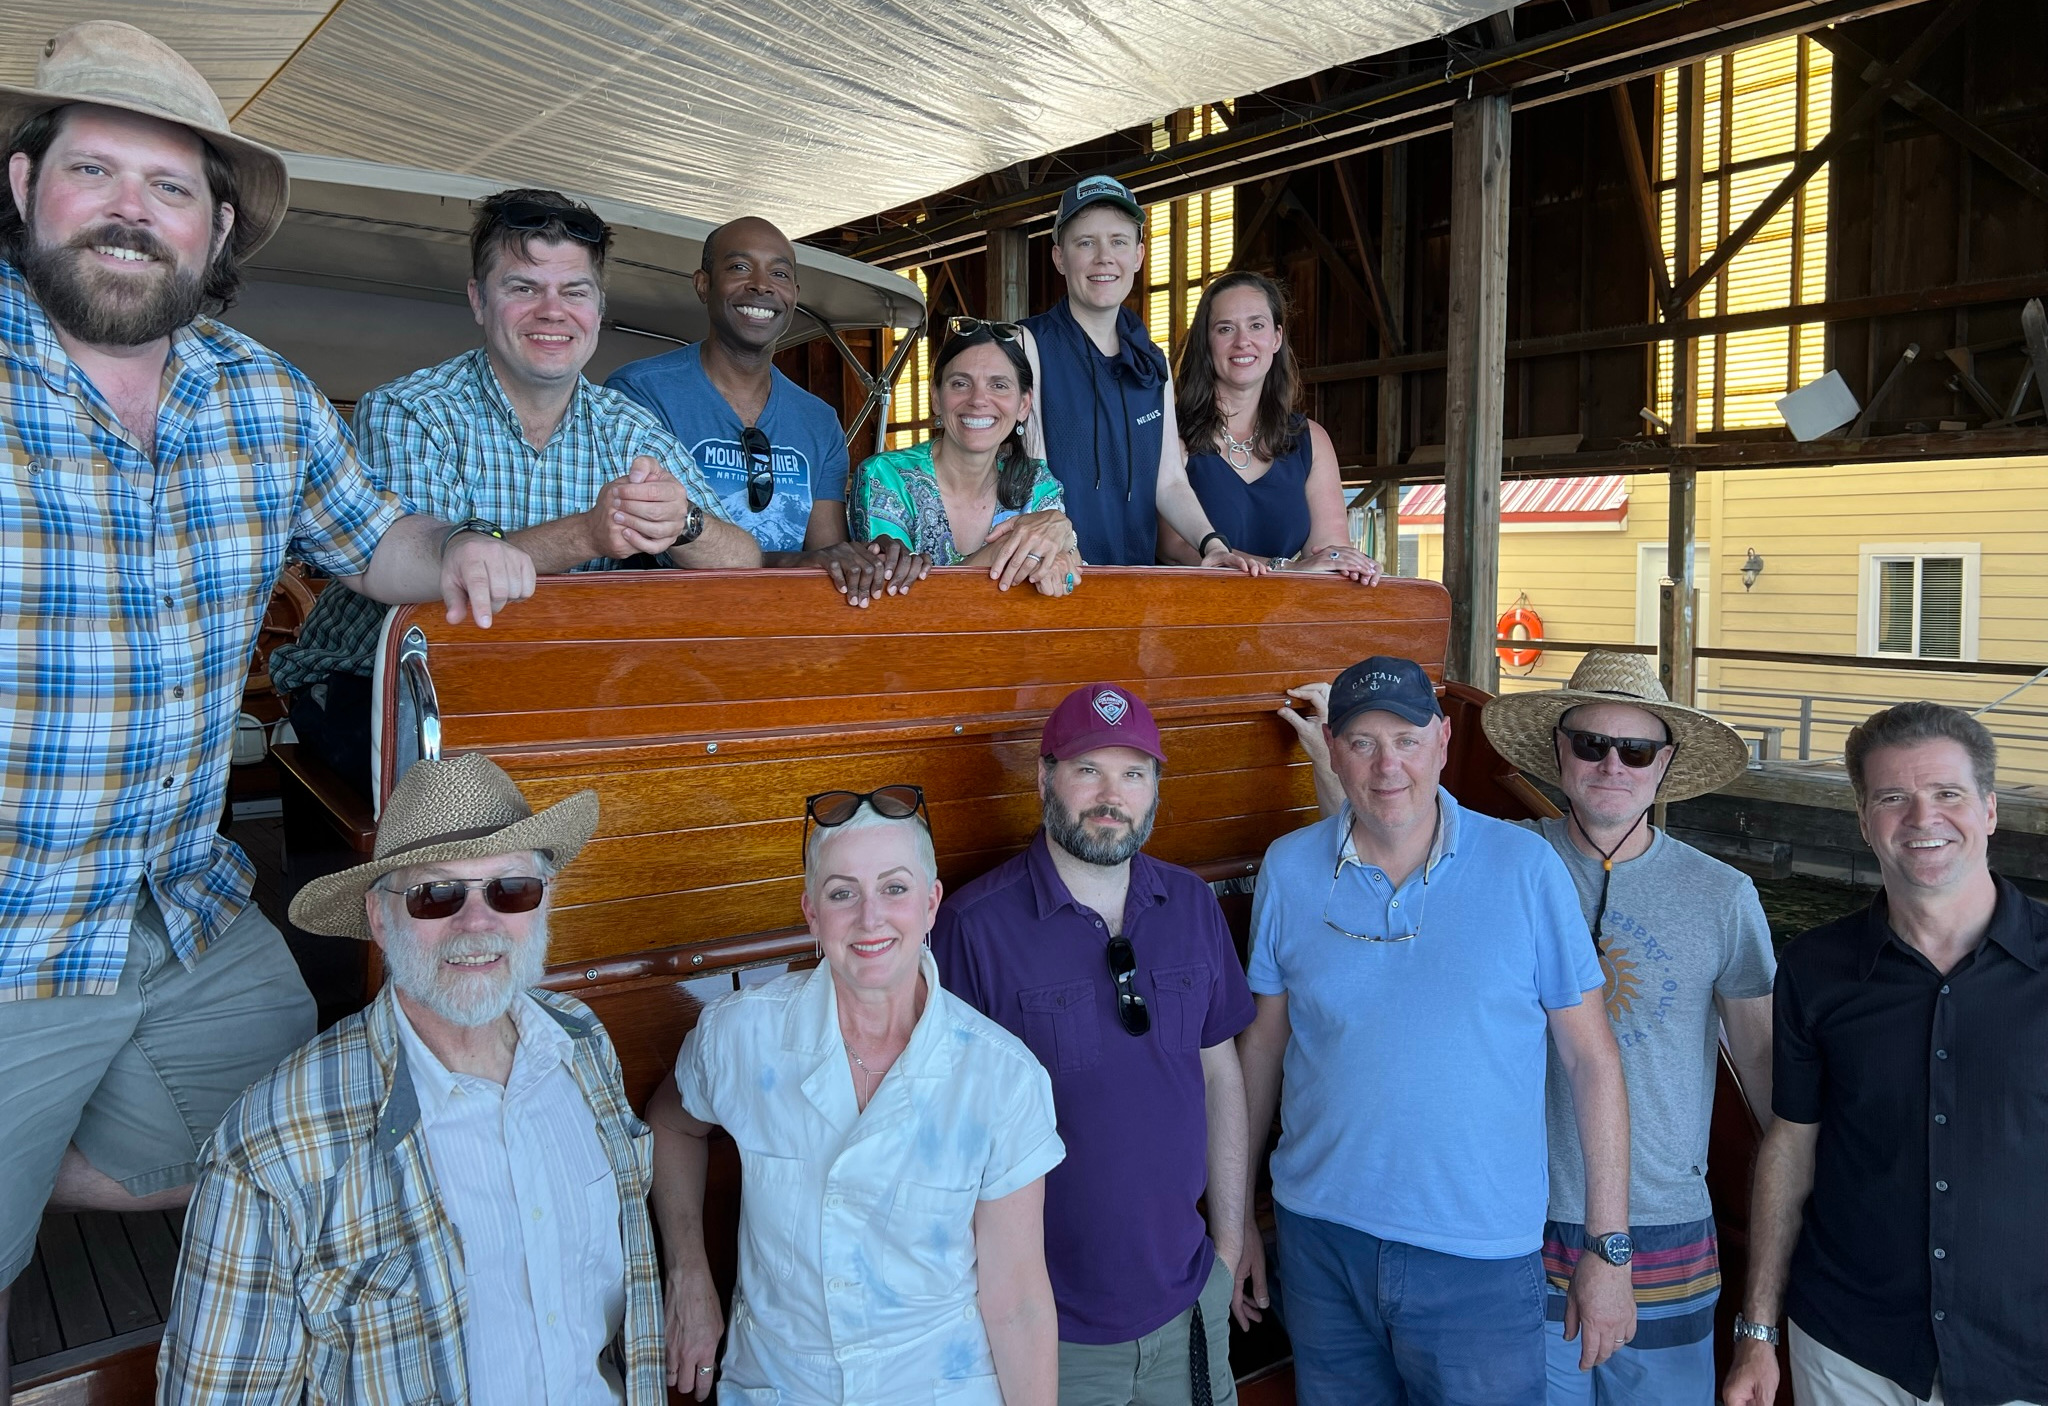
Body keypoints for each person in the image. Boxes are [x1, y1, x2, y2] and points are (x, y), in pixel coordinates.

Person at [0, 24, 535, 1398]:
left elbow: (376, 544)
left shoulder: (263, 396)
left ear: (216, 224)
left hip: (182, 902)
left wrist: (457, 549)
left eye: (171, 187)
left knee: (306, 1136)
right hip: (10, 922)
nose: (133, 208)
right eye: (95, 169)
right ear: (22, 187)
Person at [156, 752, 663, 1402]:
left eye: (511, 888)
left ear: (543, 903)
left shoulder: (583, 1042)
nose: (477, 924)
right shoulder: (268, 1149)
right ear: (378, 918)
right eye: (435, 894)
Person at [1236, 656, 1633, 1406]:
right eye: (1361, 742)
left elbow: (1592, 1061)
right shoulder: (1287, 869)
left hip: (1477, 1256)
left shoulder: (1526, 869)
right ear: (1331, 747)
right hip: (1320, 1240)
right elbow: (1263, 1048)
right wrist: (1238, 1223)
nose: (1388, 766)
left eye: (1407, 739)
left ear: (1444, 741)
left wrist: (1608, 1248)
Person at [270, 187, 760, 794]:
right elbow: (427, 588)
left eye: (574, 291)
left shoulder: (630, 427)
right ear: (479, 300)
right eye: (523, 287)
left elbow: (744, 562)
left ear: (598, 308)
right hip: (381, 685)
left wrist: (684, 523)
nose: (552, 311)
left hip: (562, 692)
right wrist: (588, 533)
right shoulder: (410, 411)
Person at [648, 786, 1064, 1405]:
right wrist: (687, 1273)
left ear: (931, 905)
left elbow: (1019, 1304)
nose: (870, 918)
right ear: (812, 913)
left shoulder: (1001, 1079)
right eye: (842, 893)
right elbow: (671, 1125)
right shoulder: (742, 1036)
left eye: (894, 889)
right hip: (779, 1386)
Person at [934, 685, 1255, 1406]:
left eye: (1133, 774)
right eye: (1088, 770)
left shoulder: (1192, 904)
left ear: (1155, 791)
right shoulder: (973, 927)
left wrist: (1226, 1254)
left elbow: (1221, 1077)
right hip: (1049, 1333)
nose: (1112, 796)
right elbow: (945, 1138)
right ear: (1045, 776)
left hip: (1188, 1309)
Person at [1722, 702, 2048, 1406]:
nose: (1922, 819)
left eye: (1948, 795)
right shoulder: (1814, 967)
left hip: (2024, 1355)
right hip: (1848, 1349)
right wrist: (1757, 1329)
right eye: (1893, 798)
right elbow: (1791, 1147)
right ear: (1865, 821)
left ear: (1990, 810)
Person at [1478, 652, 1775, 1404]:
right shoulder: (1497, 861)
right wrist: (1329, 764)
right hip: (1517, 1220)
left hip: (1666, 1228)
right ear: (1558, 753)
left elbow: (1768, 1078)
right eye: (1590, 744)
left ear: (1663, 765)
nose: (1612, 764)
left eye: (1636, 749)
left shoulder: (1724, 895)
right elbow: (1387, 845)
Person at [607, 215, 924, 606]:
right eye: (740, 267)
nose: (761, 285)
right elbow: (650, 542)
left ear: (794, 293)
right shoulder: (640, 393)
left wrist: (872, 559)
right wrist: (793, 561)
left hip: (782, 628)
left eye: (779, 273)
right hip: (672, 629)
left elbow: (827, 555)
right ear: (703, 285)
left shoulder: (818, 420)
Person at [1016, 175, 1262, 573]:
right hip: (1055, 579)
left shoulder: (1153, 362)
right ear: (1059, 258)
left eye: (1118, 241)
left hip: (1134, 586)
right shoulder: (1028, 345)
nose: (1104, 258)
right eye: (1085, 243)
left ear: (1139, 256)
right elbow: (1028, 476)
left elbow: (1169, 483)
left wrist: (1212, 544)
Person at [1165, 271, 1378, 581]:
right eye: (1226, 329)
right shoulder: (1170, 433)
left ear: (1276, 338)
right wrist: (1286, 567)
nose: (1242, 341)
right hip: (1189, 620)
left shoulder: (1311, 441)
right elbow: (1176, 547)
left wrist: (1356, 567)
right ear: (1206, 342)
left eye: (1256, 325)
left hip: (1279, 622)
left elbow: (1328, 553)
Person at [850, 317, 1082, 596]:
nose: (978, 400)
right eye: (961, 383)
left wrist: (1064, 544)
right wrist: (1003, 550)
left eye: (998, 385)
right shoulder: (886, 476)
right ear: (936, 397)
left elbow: (1068, 574)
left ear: (1023, 405)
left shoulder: (1034, 481)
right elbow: (895, 599)